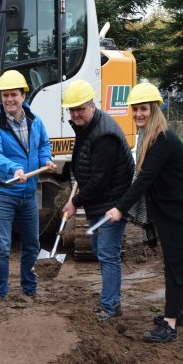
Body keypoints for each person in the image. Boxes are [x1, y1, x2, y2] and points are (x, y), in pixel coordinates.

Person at [105, 83, 183, 343]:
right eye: (135, 109)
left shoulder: (161, 139)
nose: (138, 114)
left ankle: (170, 326)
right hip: (182, 207)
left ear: (155, 109)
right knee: (179, 262)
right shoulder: (150, 136)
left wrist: (120, 208)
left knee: (176, 265)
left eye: (143, 109)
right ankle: (182, 311)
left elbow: (144, 180)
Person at [60, 80, 134, 322]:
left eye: (80, 108)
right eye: (71, 110)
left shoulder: (104, 135)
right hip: (100, 201)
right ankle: (113, 301)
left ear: (92, 105)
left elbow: (100, 179)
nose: (75, 114)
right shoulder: (89, 127)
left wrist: (75, 202)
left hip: (111, 203)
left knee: (107, 253)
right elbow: (92, 169)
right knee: (100, 250)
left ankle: (109, 306)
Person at [0, 70, 56, 300]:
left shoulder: (35, 120)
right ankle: (1, 294)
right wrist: (13, 168)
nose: (9, 99)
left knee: (32, 245)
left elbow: (44, 143)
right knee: (3, 247)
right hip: (3, 193)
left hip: (28, 193)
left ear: (23, 96)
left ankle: (29, 289)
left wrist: (46, 159)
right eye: (5, 95)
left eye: (13, 94)